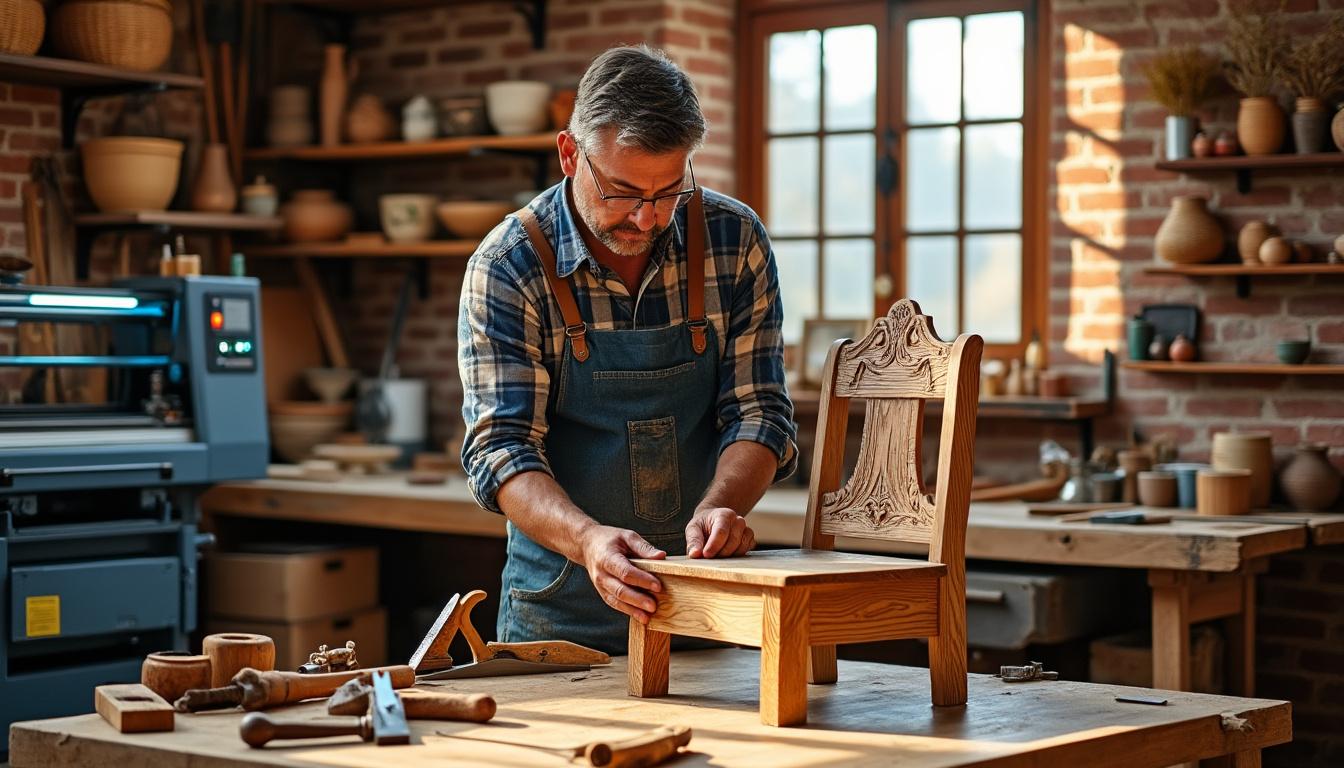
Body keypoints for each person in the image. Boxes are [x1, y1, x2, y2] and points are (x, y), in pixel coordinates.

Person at [458, 45, 796, 654]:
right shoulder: (510, 265)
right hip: (559, 618)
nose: (645, 219)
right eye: (621, 192)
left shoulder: (733, 240)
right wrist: (588, 540)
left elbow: (760, 412)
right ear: (570, 154)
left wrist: (723, 507)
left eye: (668, 192)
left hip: (704, 603)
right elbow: (502, 448)